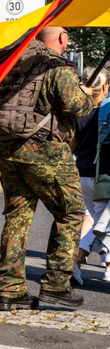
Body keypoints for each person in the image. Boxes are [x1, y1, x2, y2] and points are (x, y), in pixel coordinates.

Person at [0, 27, 93, 311]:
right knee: (71, 212)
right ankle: (56, 284)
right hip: (44, 151)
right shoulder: (57, 67)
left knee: (17, 218)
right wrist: (86, 95)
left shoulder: (16, 64)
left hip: (9, 149)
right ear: (61, 38)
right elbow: (78, 108)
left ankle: (11, 291)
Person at [71, 67, 109, 284]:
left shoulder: (80, 113)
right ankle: (76, 260)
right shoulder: (108, 112)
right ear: (104, 87)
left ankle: (107, 268)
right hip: (103, 175)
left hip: (83, 173)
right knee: (102, 224)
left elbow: (71, 145)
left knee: (100, 220)